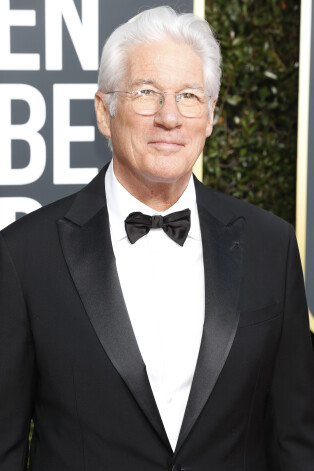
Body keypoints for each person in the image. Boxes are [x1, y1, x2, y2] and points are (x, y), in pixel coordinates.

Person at [0, 6, 314, 471]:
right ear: (104, 112)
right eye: (147, 93)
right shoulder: (23, 255)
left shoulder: (274, 246)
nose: (170, 117)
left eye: (189, 96)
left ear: (210, 117)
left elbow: (295, 443)